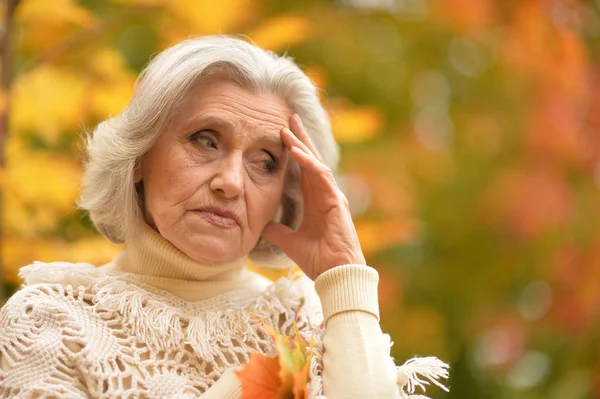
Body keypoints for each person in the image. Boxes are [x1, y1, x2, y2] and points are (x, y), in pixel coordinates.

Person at [0, 36, 448, 398]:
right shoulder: (51, 321)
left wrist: (344, 273)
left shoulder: (310, 323)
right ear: (139, 157)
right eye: (205, 140)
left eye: (266, 161)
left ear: (284, 196)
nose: (231, 182)